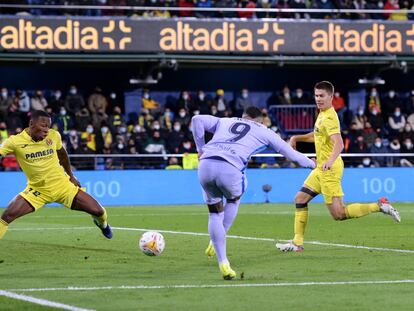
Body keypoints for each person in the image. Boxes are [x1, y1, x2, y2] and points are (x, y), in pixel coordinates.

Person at [191, 106, 315, 280]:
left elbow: (196, 120)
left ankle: (223, 259)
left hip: (205, 165)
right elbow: (292, 155)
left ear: (243, 116)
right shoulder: (264, 130)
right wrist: (313, 164)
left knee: (214, 213)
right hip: (231, 168)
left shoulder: (226, 121)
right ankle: (220, 237)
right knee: (233, 200)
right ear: (261, 121)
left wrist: (200, 148)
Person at [276, 81, 400, 253]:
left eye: (322, 96)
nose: (318, 99)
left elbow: (339, 143)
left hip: (329, 170)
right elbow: (318, 135)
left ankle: (379, 205)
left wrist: (329, 160)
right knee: (300, 199)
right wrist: (297, 138)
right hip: (321, 168)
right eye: (316, 95)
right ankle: (297, 243)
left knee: (339, 214)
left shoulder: (330, 117)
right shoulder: (321, 114)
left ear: (331, 97)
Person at [0, 110, 112, 241]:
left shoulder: (54, 136)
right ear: (31, 124)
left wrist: (71, 176)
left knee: (99, 211)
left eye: (48, 126)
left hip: (63, 187)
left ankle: (102, 224)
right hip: (37, 191)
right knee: (6, 217)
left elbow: (63, 154)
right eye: (43, 125)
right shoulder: (14, 141)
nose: (46, 129)